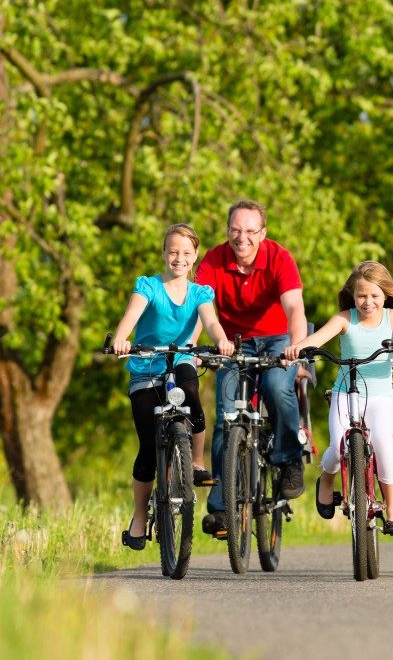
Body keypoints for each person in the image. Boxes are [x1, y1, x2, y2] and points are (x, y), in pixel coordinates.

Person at [111, 223, 235, 550]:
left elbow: (210, 321)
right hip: (146, 365)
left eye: (185, 253)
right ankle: (139, 518)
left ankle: (195, 461)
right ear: (164, 253)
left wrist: (221, 340)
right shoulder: (148, 286)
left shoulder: (200, 293)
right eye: (172, 251)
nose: (178, 258)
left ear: (195, 256)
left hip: (180, 358)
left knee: (191, 393)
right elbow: (132, 315)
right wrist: (122, 339)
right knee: (148, 450)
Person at [195, 200, 309, 538]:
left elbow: (295, 308)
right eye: (235, 230)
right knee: (226, 417)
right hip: (233, 341)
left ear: (262, 233)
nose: (241, 238)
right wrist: (199, 346)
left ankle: (288, 459)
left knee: (276, 387)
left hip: (278, 339)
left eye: (249, 231)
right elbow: (202, 307)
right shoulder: (214, 260)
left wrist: (297, 348)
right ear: (227, 230)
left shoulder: (279, 257)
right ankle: (221, 509)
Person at [283, 261, 393, 536]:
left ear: (385, 295)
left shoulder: (392, 318)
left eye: (374, 296)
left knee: (383, 444)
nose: (368, 302)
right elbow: (318, 339)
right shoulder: (345, 319)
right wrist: (296, 349)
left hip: (380, 395)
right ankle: (327, 480)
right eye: (361, 296)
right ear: (353, 295)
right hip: (345, 393)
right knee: (337, 445)